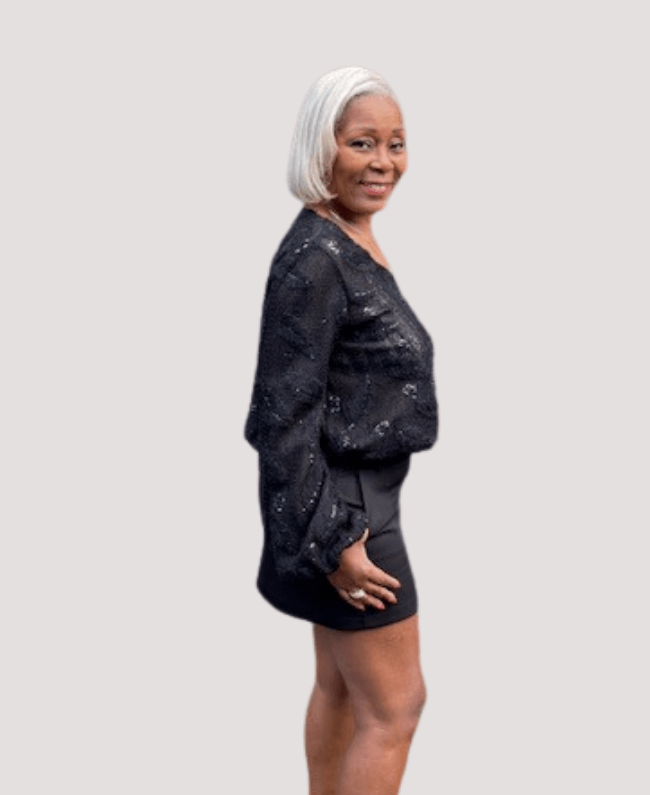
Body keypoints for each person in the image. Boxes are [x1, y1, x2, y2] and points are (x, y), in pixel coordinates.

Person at [245, 66, 438, 795]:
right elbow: (280, 419)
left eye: (396, 142)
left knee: (342, 687)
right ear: (319, 146)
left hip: (356, 498)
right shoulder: (316, 261)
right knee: (396, 706)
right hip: (350, 513)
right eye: (362, 143)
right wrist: (334, 539)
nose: (384, 161)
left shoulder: (345, 237)